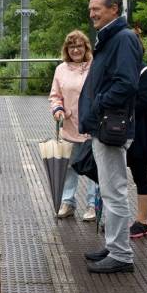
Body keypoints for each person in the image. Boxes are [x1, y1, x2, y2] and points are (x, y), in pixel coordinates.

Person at [78, 0, 142, 274]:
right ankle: (114, 243)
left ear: (114, 9)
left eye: (97, 9)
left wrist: (99, 105)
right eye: (90, 9)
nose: (92, 14)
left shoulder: (123, 39)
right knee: (108, 189)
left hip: (111, 126)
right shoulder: (110, 37)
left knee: (114, 191)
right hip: (103, 125)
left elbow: (126, 83)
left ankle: (121, 254)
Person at [49, 30, 97, 221]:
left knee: (94, 168)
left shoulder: (94, 66)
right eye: (71, 46)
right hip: (69, 126)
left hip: (92, 127)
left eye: (79, 46)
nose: (75, 50)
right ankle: (68, 202)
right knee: (69, 167)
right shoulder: (61, 69)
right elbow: (55, 95)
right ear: (66, 49)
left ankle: (93, 205)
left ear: (86, 47)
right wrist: (57, 110)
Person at [127, 57, 147, 238]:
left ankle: (143, 221)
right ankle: (116, 219)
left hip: (139, 133)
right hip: (118, 131)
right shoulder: (119, 69)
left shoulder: (145, 73)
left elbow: (144, 101)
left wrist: (117, 105)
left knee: (141, 175)